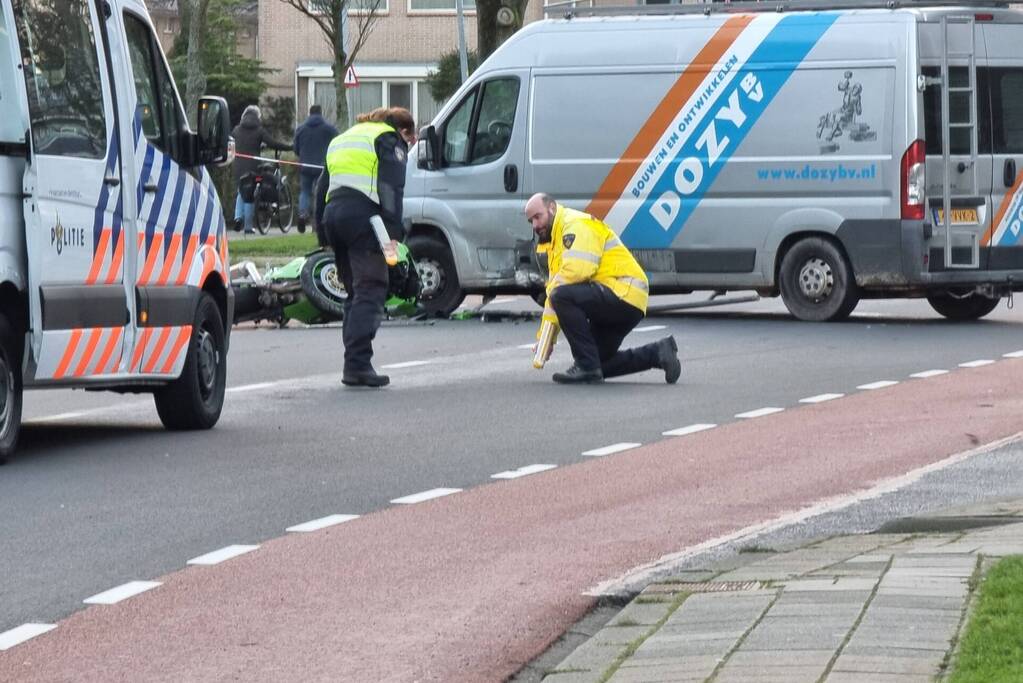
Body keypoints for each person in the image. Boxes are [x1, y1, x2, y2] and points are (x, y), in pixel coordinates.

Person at [525, 193, 681, 385]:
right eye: (530, 221)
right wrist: (546, 340)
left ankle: (587, 368)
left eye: (537, 217)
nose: (534, 225)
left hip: (623, 291)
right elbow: (556, 292)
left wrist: (548, 340)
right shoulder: (556, 241)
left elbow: (576, 273)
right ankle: (657, 353)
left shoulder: (574, 225)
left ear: (552, 208)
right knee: (598, 361)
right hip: (624, 298)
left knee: (562, 297)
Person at [316, 107, 416, 388]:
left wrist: (321, 231)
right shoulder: (388, 138)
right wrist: (393, 235)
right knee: (371, 287)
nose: (409, 145)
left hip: (334, 216)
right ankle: (358, 364)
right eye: (411, 139)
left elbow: (321, 187)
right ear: (403, 131)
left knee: (355, 291)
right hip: (363, 219)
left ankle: (353, 363)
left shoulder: (343, 138)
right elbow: (391, 188)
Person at [231, 105, 292, 234]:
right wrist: (289, 147)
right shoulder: (259, 130)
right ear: (257, 117)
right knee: (250, 196)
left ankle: (237, 218)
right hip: (253, 166)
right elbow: (273, 143)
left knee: (241, 191)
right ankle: (248, 227)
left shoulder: (236, 130)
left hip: (238, 166)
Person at [293, 104, 338, 234]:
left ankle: (302, 214)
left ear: (309, 113)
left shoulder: (300, 129)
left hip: (305, 166)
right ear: (321, 113)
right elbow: (337, 143)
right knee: (321, 194)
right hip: (322, 167)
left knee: (305, 192)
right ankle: (318, 223)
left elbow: (295, 148)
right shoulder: (329, 129)